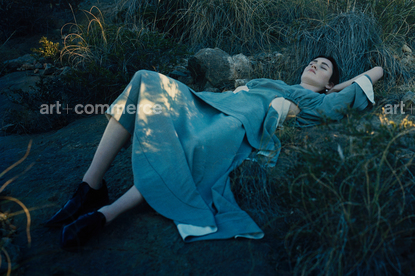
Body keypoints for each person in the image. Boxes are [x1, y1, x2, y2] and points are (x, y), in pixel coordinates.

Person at [44, 56, 383, 249]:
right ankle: (90, 185)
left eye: (323, 67)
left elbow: (376, 73)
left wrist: (336, 88)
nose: (315, 64)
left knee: (191, 148)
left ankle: (106, 213)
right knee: (145, 79)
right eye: (313, 61)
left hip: (241, 122)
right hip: (214, 103)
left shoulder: (318, 101)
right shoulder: (274, 82)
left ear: (329, 83)